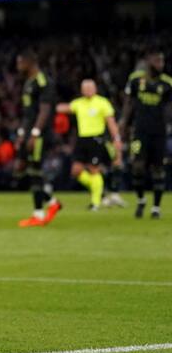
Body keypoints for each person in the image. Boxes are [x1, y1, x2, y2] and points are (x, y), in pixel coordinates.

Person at [57, 79, 124, 211]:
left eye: (90, 87)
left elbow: (111, 122)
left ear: (95, 89)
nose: (87, 90)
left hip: (96, 139)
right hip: (82, 140)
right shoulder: (79, 103)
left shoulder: (102, 102)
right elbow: (63, 108)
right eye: (85, 88)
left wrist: (116, 138)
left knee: (94, 169)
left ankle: (95, 202)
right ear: (81, 90)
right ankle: (100, 192)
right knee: (76, 171)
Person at [121, 49, 172, 219]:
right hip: (139, 132)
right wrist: (123, 124)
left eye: (162, 61)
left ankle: (156, 207)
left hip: (159, 133)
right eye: (157, 61)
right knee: (137, 166)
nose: (160, 64)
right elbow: (129, 103)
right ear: (149, 61)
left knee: (158, 169)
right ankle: (141, 199)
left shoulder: (167, 83)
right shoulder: (136, 79)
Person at [15, 51, 59, 227]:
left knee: (35, 171)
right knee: (23, 170)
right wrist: (21, 134)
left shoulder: (43, 82)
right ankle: (53, 202)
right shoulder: (28, 83)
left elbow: (45, 110)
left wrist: (35, 133)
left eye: (20, 62)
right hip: (28, 133)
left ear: (30, 62)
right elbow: (28, 113)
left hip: (39, 134)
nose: (18, 66)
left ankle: (39, 215)